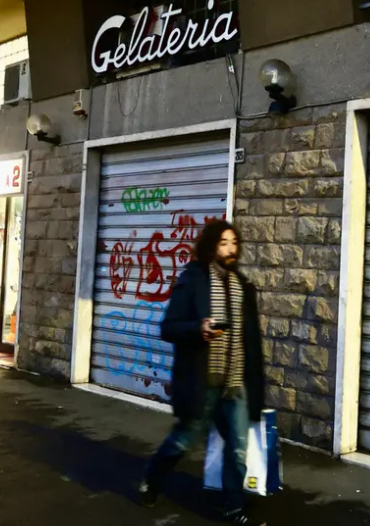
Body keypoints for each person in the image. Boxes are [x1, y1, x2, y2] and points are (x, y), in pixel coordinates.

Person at [138, 221, 266, 526]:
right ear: (211, 246)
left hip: (234, 384)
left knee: (237, 450)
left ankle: (233, 509)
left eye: (234, 242)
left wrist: (256, 384)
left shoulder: (243, 286)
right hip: (203, 382)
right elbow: (168, 327)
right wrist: (198, 329)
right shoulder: (193, 279)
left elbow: (252, 341)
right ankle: (151, 479)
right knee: (182, 441)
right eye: (224, 243)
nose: (231, 249)